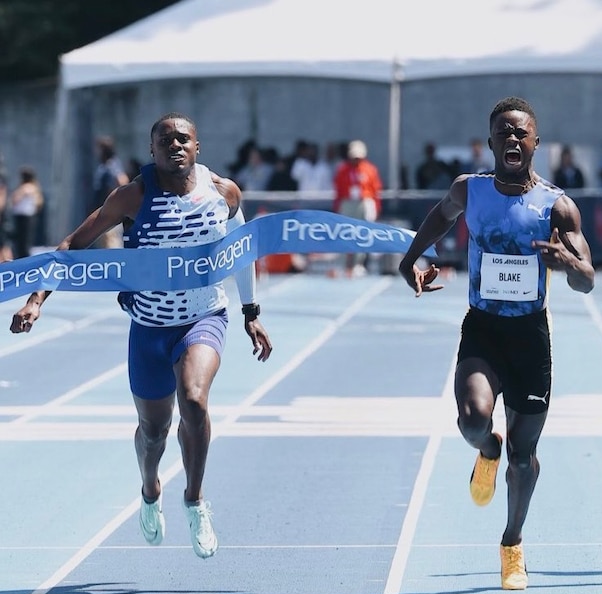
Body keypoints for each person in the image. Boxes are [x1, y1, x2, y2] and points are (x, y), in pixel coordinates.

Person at [10, 112, 274, 559]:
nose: (175, 145)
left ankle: (194, 498)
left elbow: (240, 251)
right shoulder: (133, 195)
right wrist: (36, 299)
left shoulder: (224, 193)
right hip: (149, 327)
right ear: (152, 151)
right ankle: (150, 489)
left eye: (183, 138)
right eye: (165, 140)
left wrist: (250, 311)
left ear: (197, 147)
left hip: (203, 317)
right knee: (154, 432)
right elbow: (72, 246)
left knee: (194, 399)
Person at [398, 96, 595, 590]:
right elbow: (441, 217)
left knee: (524, 457)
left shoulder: (557, 205)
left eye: (520, 132)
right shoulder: (471, 190)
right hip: (484, 327)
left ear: (535, 143)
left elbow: (588, 279)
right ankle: (487, 449)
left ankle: (512, 544)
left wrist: (568, 263)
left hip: (530, 337)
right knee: (472, 419)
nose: (512, 139)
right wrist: (410, 259)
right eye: (503, 132)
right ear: (491, 142)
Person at [333, 139, 383, 277]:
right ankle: (343, 264)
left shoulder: (370, 169)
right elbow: (338, 189)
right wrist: (338, 206)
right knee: (345, 233)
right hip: (348, 203)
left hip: (364, 202)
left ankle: (358, 264)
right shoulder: (343, 170)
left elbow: (375, 189)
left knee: (362, 234)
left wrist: (376, 207)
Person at [9, 165, 44, 259]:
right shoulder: (35, 187)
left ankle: (22, 257)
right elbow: (38, 203)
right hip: (29, 216)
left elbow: (15, 199)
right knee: (25, 241)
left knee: (21, 242)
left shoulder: (25, 187)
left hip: (23, 217)